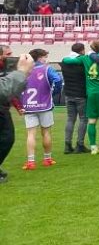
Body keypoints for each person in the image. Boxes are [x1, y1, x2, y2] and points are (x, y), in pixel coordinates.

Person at [20, 49, 64, 171]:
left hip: (29, 105)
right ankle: (47, 159)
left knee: (30, 134)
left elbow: (17, 87)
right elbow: (58, 80)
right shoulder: (46, 69)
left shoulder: (23, 71)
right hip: (45, 105)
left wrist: (21, 102)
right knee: (46, 132)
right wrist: (52, 92)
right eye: (45, 57)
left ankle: (31, 162)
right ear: (39, 58)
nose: (46, 59)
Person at [0, 50, 34, 184]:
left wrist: (18, 105)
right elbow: (4, 90)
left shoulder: (6, 68)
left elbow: (8, 91)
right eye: (7, 54)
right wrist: (21, 73)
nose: (10, 57)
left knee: (7, 138)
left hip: (3, 107)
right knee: (6, 137)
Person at [59, 43, 88, 154]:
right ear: (81, 51)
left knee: (70, 119)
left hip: (68, 94)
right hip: (80, 94)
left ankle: (67, 145)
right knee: (83, 119)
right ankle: (79, 144)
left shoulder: (64, 62)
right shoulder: (82, 62)